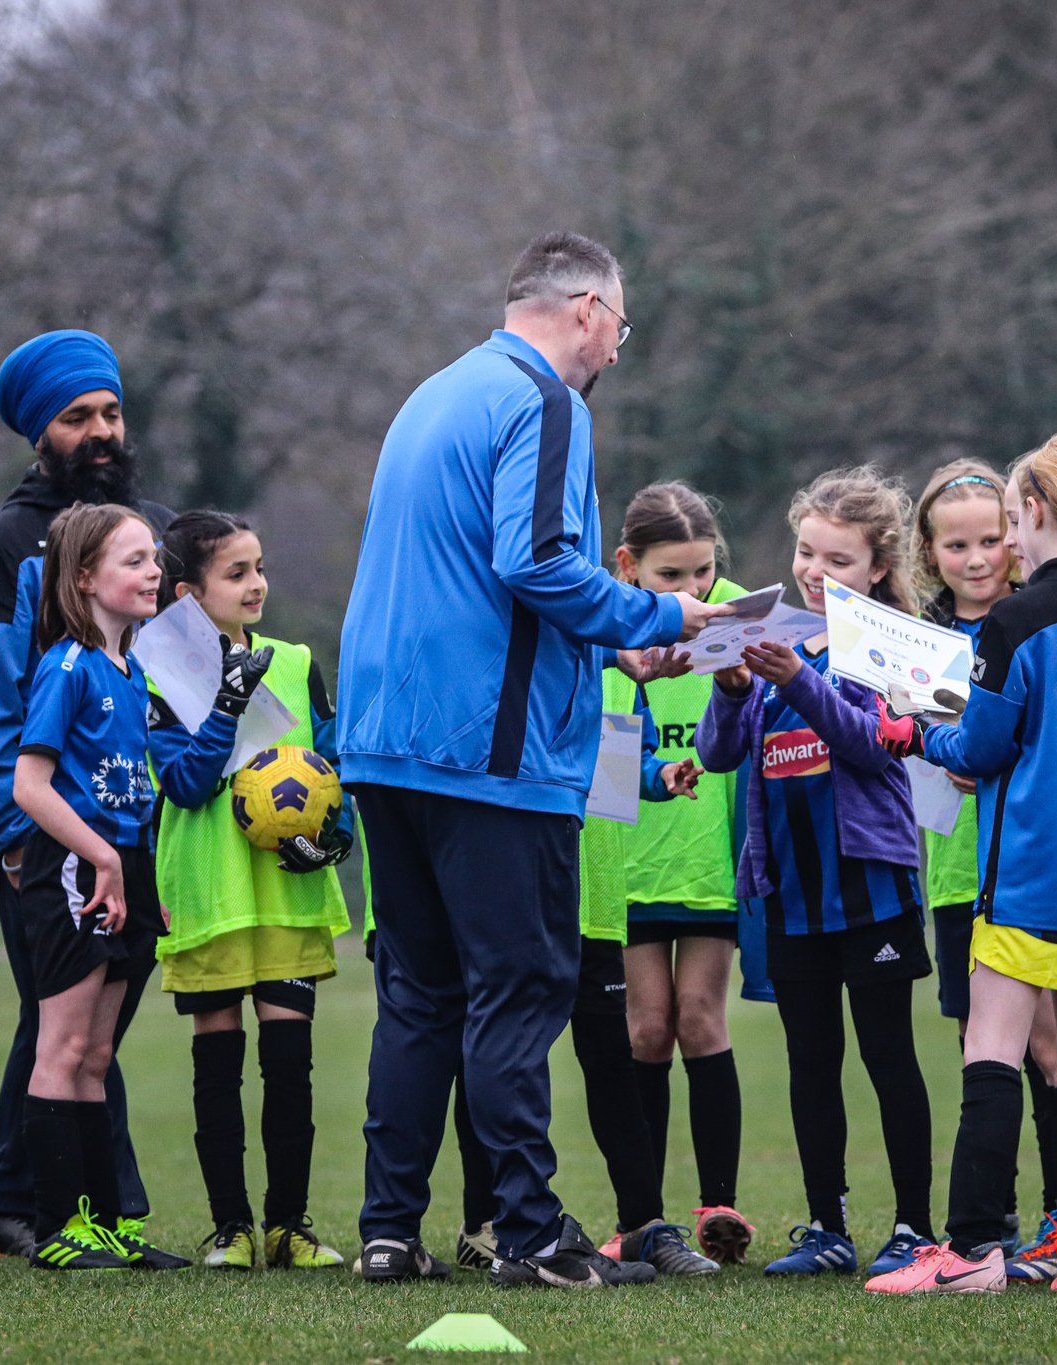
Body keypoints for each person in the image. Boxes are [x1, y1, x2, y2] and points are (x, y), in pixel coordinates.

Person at [338, 231, 728, 1290]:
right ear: (589, 310)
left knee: (418, 995)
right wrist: (662, 614)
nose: (616, 352)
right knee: (519, 989)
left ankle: (388, 1230)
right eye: (621, 328)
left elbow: (474, 581)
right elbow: (535, 562)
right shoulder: (545, 400)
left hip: (385, 744)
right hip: (488, 754)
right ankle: (530, 1236)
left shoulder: (432, 395)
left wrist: (611, 644)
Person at [873, 429, 1057, 1296]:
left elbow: (981, 748)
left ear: (1033, 511)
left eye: (1008, 517)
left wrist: (913, 733)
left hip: (1029, 871)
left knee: (991, 1047)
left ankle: (970, 1252)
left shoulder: (1015, 619)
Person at [0, 329, 174, 1260]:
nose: (102, 431)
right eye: (78, 416)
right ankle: (37, 1212)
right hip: (49, 840)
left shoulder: (149, 532)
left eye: (111, 411)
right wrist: (13, 837)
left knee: (86, 1033)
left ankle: (85, 1213)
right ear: (39, 432)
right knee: (59, 1027)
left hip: (131, 840)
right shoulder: (2, 547)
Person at [695, 467, 935, 1282]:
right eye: (807, 552)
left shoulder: (890, 643)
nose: (815, 570)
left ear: (877, 567)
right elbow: (718, 754)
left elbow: (872, 745)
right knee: (811, 1061)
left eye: (838, 559)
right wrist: (732, 690)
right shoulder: (780, 636)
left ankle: (913, 1227)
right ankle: (827, 1226)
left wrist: (797, 681)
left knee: (888, 1056)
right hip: (789, 892)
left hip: (871, 885)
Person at [453, 675, 717, 1278]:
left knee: (611, 1064)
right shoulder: (508, 650)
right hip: (516, 902)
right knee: (503, 1054)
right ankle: (486, 1223)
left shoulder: (622, 675)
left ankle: (644, 1225)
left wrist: (659, 776)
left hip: (593, 904)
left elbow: (627, 766)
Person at [145, 511, 354, 1272]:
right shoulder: (161, 672)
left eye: (259, 567)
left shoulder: (296, 662)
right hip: (211, 893)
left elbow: (334, 769)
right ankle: (229, 1228)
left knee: (290, 1065)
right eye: (236, 573)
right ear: (188, 592)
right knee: (218, 1064)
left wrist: (335, 838)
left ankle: (289, 1226)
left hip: (288, 897)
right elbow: (186, 783)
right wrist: (228, 703)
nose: (256, 583)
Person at [11, 503, 185, 1271]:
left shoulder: (132, 670)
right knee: (64, 1045)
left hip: (124, 866)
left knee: (98, 1052)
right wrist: (102, 859)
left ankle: (104, 1224)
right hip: (77, 867)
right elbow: (29, 785)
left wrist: (141, 877)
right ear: (84, 577)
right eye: (133, 559)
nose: (153, 571)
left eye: (155, 557)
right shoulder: (67, 666)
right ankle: (58, 1229)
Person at [909, 460, 1057, 1281]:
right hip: (953, 872)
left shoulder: (1034, 621)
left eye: (989, 539)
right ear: (928, 550)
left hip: (1027, 863)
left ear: (1016, 534)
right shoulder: (916, 639)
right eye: (955, 544)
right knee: (981, 1046)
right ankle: (993, 1220)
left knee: (1050, 1044)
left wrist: (983, 755)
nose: (975, 558)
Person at [611, 483, 758, 1264]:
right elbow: (602, 754)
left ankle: (718, 1206)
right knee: (646, 1029)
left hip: (710, 865)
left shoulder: (740, 618)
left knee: (701, 1018)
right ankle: (642, 1216)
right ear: (627, 566)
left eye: (703, 571)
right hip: (629, 864)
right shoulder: (601, 628)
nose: (693, 589)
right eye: (671, 575)